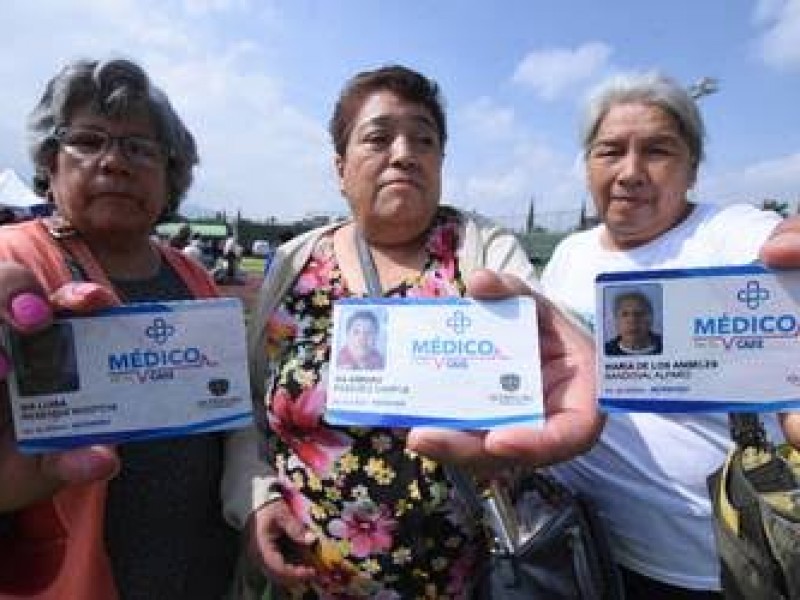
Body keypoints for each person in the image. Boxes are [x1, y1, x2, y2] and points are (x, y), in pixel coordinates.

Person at [220, 64, 601, 599]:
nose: (404, 153)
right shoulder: (294, 263)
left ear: (440, 161)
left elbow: (546, 349)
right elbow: (250, 410)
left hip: (460, 578)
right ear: (340, 166)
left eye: (423, 139)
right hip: (309, 578)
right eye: (378, 137)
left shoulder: (484, 254)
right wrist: (257, 496)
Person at [541, 70, 800, 598]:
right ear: (587, 164)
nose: (631, 172)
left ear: (692, 169)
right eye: (610, 151)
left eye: (657, 151)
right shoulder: (570, 255)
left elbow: (777, 243)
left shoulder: (726, 235)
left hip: (713, 565)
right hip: (591, 548)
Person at [0, 58, 238, 599]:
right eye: (88, 140)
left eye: (140, 147)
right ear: (50, 162)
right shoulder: (16, 259)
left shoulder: (192, 273)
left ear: (170, 173)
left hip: (200, 572)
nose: (114, 162)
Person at [604, 289, 662, 355]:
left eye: (639, 314)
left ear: (650, 319)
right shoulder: (605, 351)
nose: (632, 320)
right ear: (616, 321)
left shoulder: (667, 344)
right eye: (624, 314)